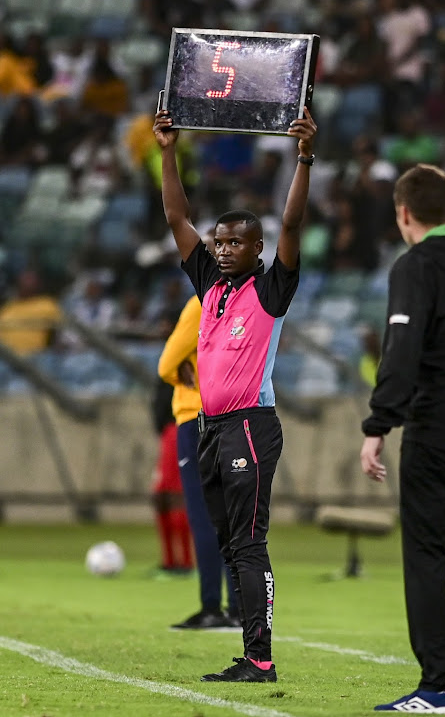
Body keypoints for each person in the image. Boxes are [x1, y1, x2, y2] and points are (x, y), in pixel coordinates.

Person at [153, 105, 317, 682]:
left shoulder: (272, 289)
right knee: (229, 542)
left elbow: (293, 226)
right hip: (211, 427)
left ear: (257, 249)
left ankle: (261, 658)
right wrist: (168, 151)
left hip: (251, 423)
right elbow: (176, 213)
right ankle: (250, 653)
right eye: (219, 241)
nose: (222, 249)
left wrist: (302, 158)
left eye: (235, 243)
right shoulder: (208, 285)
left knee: (248, 542)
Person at [360, 164, 445, 714]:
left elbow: (402, 350)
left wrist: (378, 425)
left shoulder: (414, 267)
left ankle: (438, 687)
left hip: (438, 430)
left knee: (426, 554)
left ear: (403, 213)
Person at [157, 246, 241, 629]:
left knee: (204, 517)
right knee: (233, 517)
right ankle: (240, 609)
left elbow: (165, 363)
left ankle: (211, 607)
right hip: (232, 416)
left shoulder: (199, 303)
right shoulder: (242, 302)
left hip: (195, 417)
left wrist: (178, 375)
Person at [150, 376, 193, 575]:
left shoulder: (183, 360)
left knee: (176, 496)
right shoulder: (170, 363)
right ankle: (169, 561)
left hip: (178, 429)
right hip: (168, 433)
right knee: (161, 498)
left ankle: (184, 562)